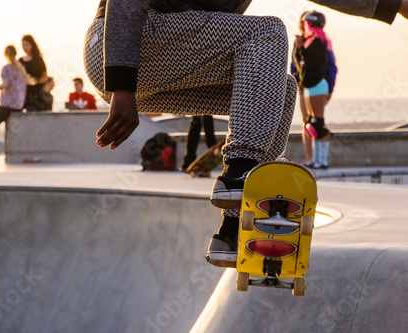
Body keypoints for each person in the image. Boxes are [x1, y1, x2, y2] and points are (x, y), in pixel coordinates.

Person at [84, 0, 408, 268]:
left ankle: (232, 228)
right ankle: (238, 176)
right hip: (122, 45)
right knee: (267, 31)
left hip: (165, 58)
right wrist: (122, 86)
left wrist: (393, 5)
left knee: (279, 88)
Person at [291, 11, 337, 169]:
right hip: (306, 84)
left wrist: (330, 89)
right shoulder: (306, 41)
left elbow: (330, 66)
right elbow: (295, 65)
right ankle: (313, 159)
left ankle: (320, 161)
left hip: (316, 84)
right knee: (309, 122)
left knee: (317, 123)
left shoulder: (319, 42)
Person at [19, 34, 49, 111]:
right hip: (23, 94)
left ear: (32, 45)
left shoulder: (38, 60)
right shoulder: (20, 61)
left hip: (37, 95)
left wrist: (33, 81)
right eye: (23, 45)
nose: (25, 47)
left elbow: (45, 78)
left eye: (27, 45)